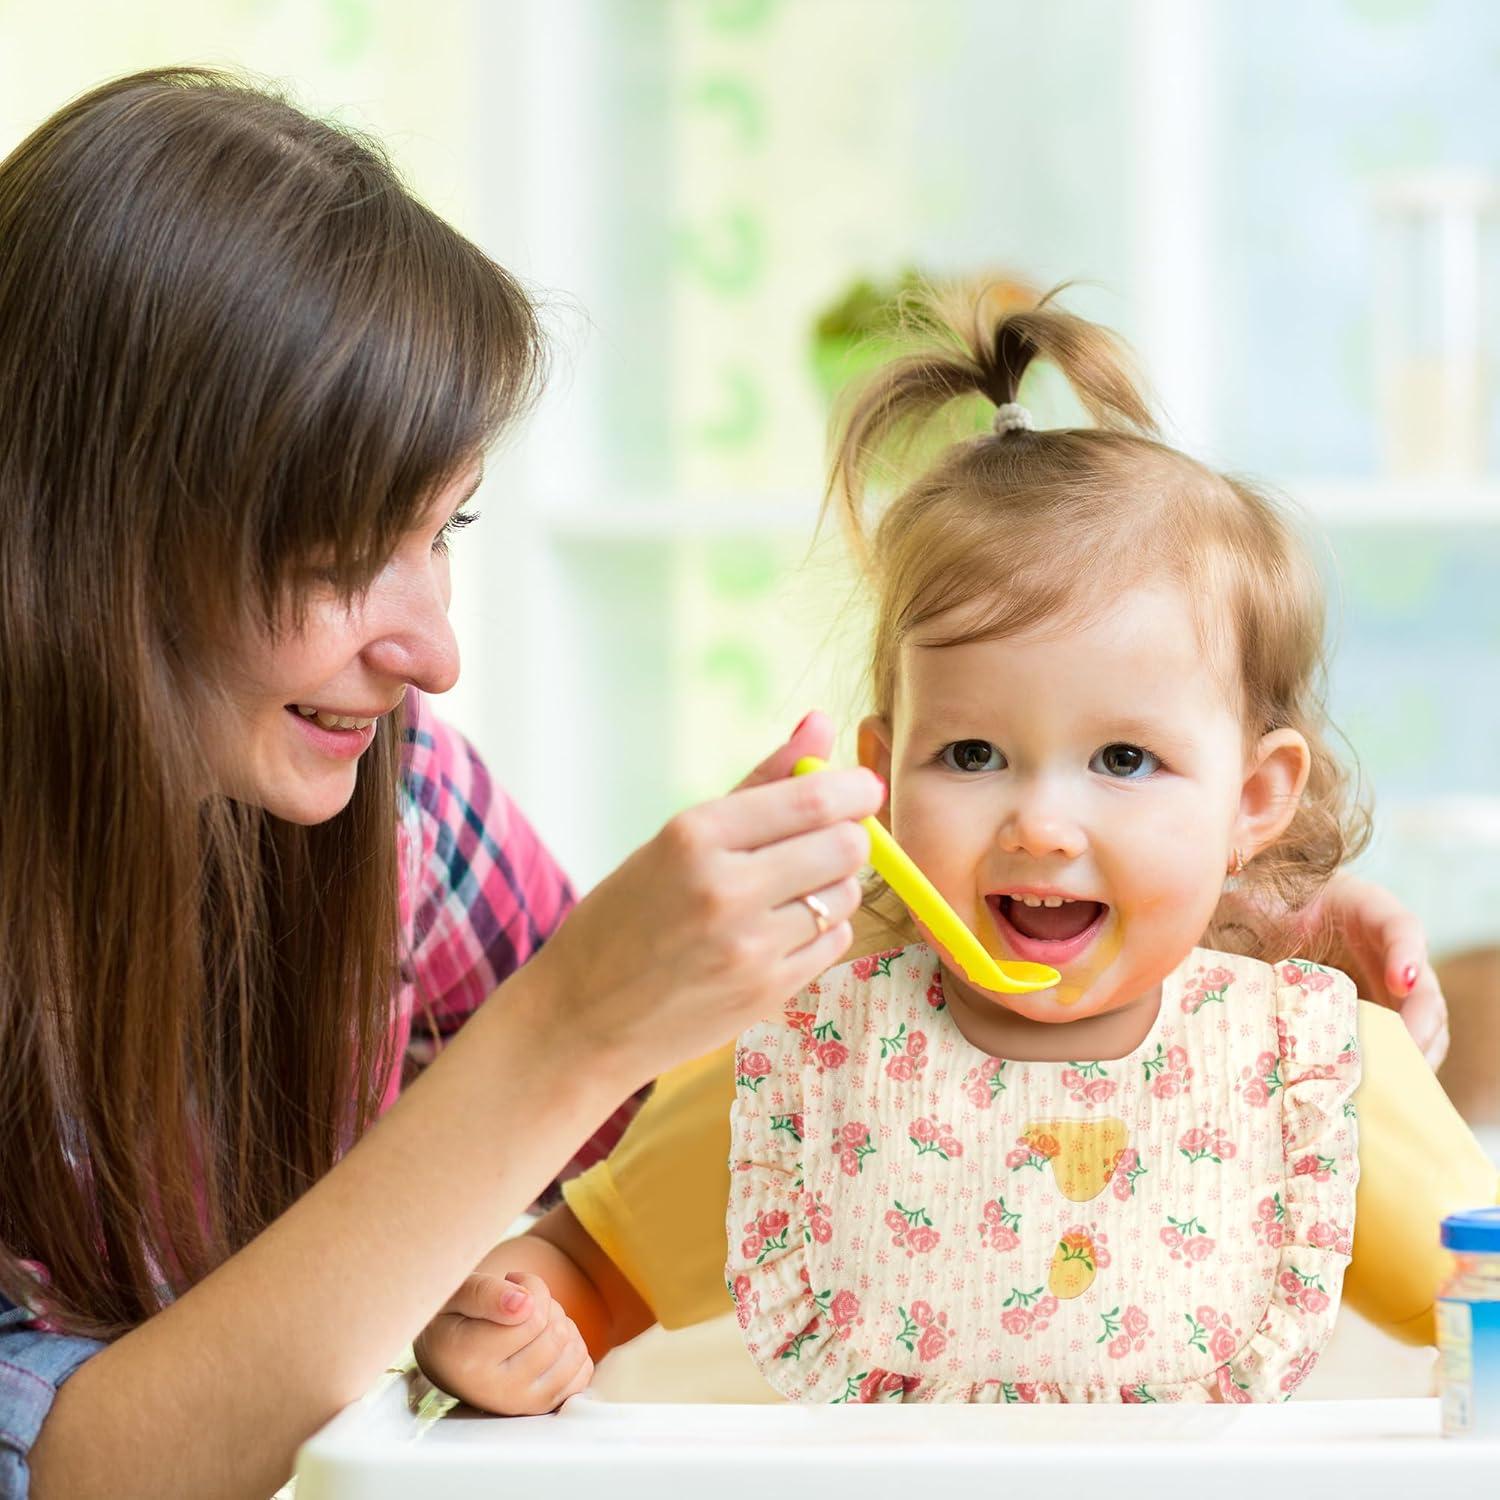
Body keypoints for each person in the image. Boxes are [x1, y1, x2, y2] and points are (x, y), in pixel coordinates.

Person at [0, 69, 883, 1499]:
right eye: (345, 555)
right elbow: (78, 1472)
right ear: (88, 535)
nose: (435, 652)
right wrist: (564, 1032)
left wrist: (1186, 954)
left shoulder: (405, 815)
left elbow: (717, 1132)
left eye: (444, 530)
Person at [427, 290, 1491, 1412]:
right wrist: (522, 1327)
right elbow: (586, 1268)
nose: (1039, 822)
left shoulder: (1317, 1074)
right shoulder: (806, 1070)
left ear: (1254, 799)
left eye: (1125, 761)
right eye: (974, 753)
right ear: (882, 778)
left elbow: (1483, 1292)